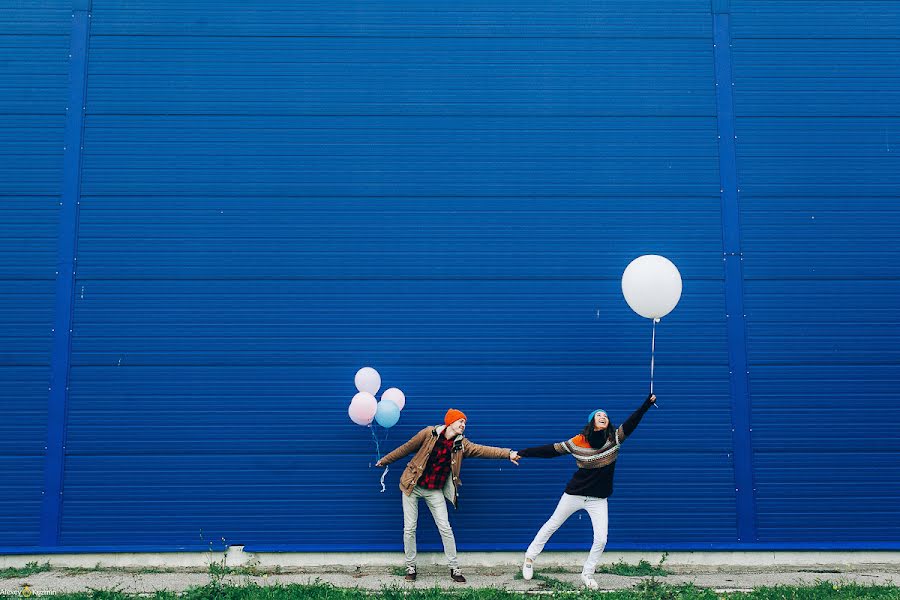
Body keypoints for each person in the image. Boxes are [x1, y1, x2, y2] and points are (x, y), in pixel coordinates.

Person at [517, 394, 657, 589]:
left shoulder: (614, 439)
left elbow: (632, 422)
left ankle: (587, 573)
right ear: (592, 421)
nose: (603, 416)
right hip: (574, 494)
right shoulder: (578, 442)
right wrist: (523, 453)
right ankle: (530, 558)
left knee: (601, 538)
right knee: (552, 525)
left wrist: (646, 404)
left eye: (605, 415)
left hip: (598, 499)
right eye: (598, 414)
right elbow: (550, 450)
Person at [376, 408, 520, 583]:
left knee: (445, 528)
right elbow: (407, 448)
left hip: (434, 490)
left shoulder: (461, 444)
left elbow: (483, 450)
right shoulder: (429, 433)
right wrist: (385, 460)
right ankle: (410, 566)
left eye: (465, 423)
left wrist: (508, 454)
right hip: (411, 486)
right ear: (450, 421)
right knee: (409, 528)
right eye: (461, 421)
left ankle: (454, 568)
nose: (463, 425)